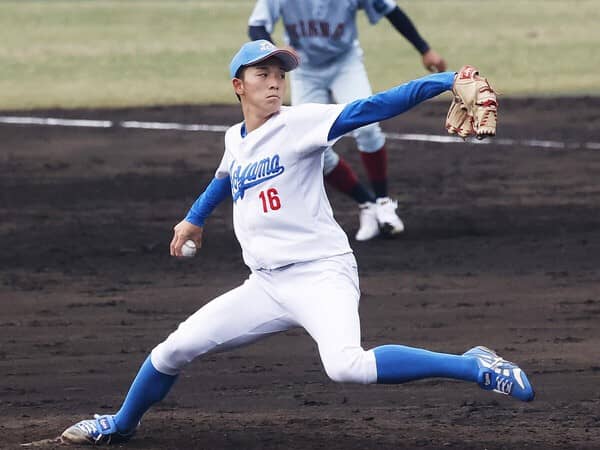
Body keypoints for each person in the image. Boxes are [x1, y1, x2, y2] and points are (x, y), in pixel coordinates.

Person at [60, 40, 533, 446]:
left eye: (280, 76)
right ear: (238, 86)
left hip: (321, 273)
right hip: (265, 285)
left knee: (346, 366)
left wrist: (447, 81)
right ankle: (119, 425)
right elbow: (225, 176)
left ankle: (474, 365)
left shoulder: (301, 123)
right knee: (172, 350)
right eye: (262, 75)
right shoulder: (235, 138)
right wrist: (193, 219)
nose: (274, 83)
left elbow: (373, 106)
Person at [248, 0, 447, 241]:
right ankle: (366, 203)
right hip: (305, 71)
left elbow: (390, 10)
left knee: (368, 127)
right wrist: (274, 49)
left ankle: (383, 202)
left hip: (345, 64)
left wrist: (425, 49)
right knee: (309, 146)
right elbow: (256, 26)